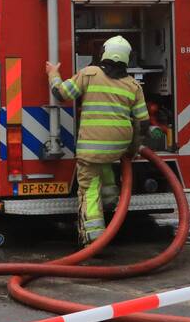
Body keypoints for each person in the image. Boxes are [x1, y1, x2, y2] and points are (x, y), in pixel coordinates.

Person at [46, 36, 149, 245]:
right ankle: (110, 200)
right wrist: (132, 150)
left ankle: (93, 238)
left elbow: (61, 94)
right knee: (105, 168)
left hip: (92, 148)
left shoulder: (89, 74)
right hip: (117, 148)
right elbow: (143, 124)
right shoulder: (133, 85)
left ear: (104, 53)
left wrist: (53, 74)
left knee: (89, 188)